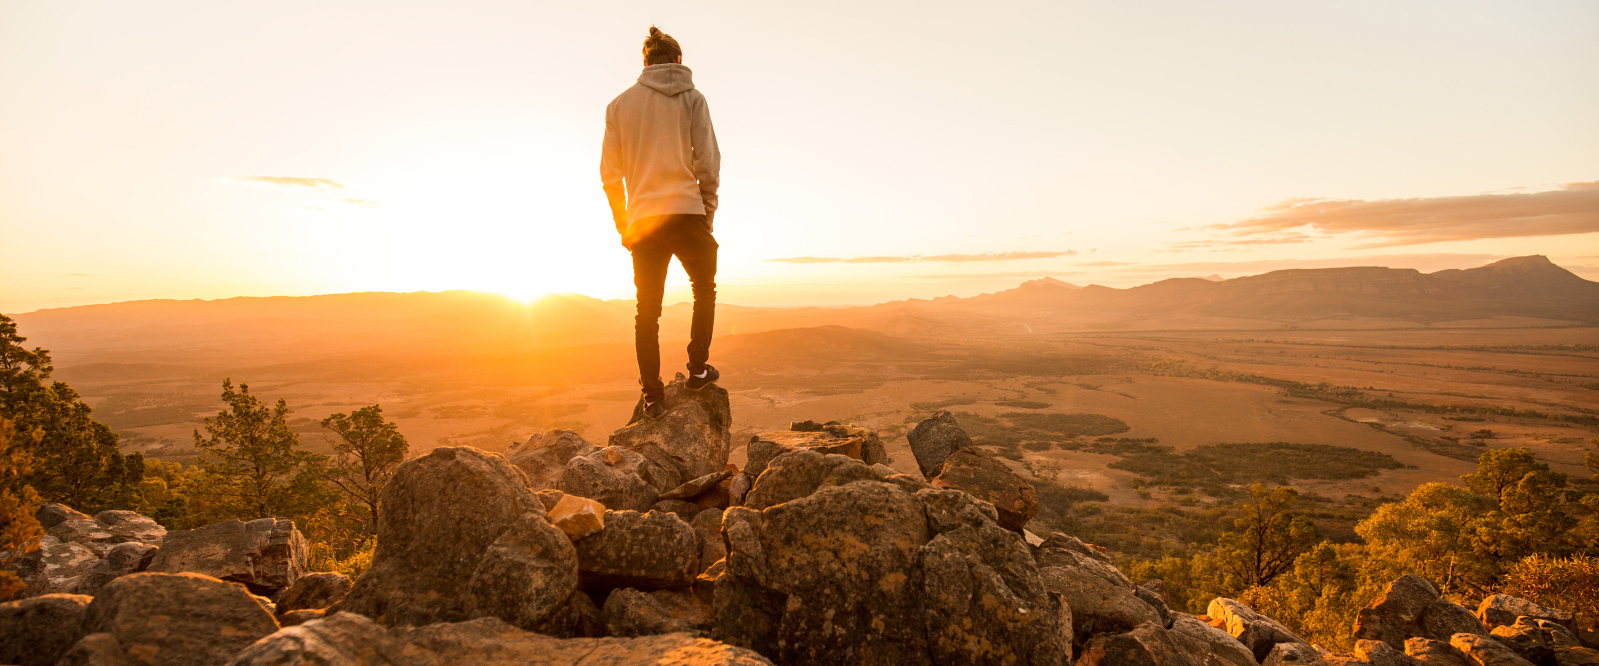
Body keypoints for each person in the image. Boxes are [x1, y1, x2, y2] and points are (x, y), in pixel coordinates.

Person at [601, 26, 721, 419]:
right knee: (703, 289)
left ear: (646, 63)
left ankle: (652, 396)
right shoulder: (693, 99)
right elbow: (707, 162)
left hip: (644, 220)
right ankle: (698, 369)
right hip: (687, 212)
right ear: (678, 61)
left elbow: (610, 175)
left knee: (647, 310)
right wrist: (708, 213)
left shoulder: (619, 106)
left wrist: (624, 223)